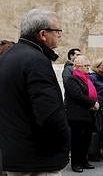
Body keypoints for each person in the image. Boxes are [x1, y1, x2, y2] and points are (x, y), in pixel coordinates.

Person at [0, 9, 70, 175]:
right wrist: (65, 142)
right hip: (39, 158)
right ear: (43, 34)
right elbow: (49, 113)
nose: (60, 35)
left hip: (16, 153)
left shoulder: (8, 57)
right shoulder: (36, 60)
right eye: (57, 31)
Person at [64, 55, 99, 173]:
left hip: (88, 114)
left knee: (86, 139)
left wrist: (95, 102)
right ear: (78, 67)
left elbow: (92, 93)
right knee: (77, 140)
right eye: (86, 66)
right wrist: (93, 103)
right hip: (76, 115)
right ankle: (76, 163)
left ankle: (84, 160)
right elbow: (77, 95)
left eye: (88, 65)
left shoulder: (86, 78)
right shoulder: (72, 79)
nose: (88, 68)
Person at [90, 58, 103, 159]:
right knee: (98, 129)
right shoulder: (93, 77)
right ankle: (95, 151)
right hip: (99, 107)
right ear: (97, 67)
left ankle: (101, 149)